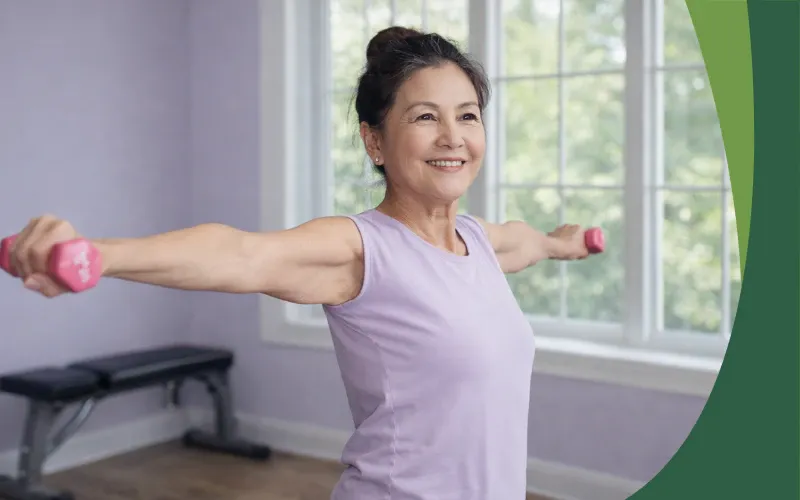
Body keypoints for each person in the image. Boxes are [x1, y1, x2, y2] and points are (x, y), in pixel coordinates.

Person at [7, 26, 596, 500]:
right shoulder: (363, 249)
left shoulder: (479, 241)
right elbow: (241, 252)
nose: (453, 136)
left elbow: (524, 241)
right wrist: (98, 255)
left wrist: (560, 242)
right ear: (374, 142)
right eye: (424, 117)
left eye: (467, 115)